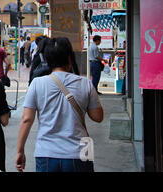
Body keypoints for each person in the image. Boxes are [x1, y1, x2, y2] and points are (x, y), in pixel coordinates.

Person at [15, 37, 104, 173]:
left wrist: (20, 151)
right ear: (69, 58)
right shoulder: (85, 83)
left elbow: (26, 119)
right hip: (80, 152)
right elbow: (98, 117)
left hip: (46, 153)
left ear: (48, 60)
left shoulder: (37, 84)